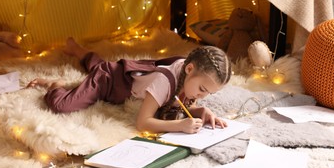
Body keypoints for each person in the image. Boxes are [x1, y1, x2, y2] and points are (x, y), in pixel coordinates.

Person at [28, 37, 232, 134]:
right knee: (64, 105)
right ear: (189, 69)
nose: (202, 96)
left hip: (122, 75)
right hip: (108, 81)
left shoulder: (188, 74)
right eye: (202, 90)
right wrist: (178, 125)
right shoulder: (164, 81)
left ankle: (78, 50)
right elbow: (143, 123)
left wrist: (200, 110)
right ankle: (57, 84)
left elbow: (177, 103)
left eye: (209, 94)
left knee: (101, 66)